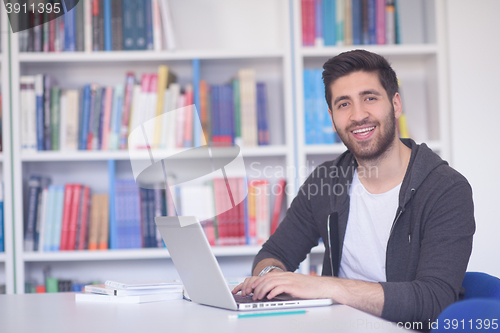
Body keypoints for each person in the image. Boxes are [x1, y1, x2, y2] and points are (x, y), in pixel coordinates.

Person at [232, 49, 475, 326]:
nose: (358, 115)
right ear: (332, 118)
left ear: (395, 104)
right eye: (344, 104)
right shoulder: (326, 181)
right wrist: (271, 278)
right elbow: (274, 253)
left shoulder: (446, 189)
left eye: (369, 98)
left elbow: (434, 301)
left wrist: (326, 287)